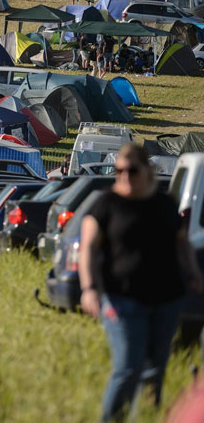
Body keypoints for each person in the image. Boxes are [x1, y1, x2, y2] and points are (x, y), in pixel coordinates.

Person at [79, 143, 203, 422]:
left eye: (131, 171)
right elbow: (87, 248)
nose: (124, 177)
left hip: (167, 298)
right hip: (121, 299)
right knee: (128, 367)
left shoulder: (165, 203)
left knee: (155, 368)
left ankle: (147, 415)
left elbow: (181, 244)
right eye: (118, 171)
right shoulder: (106, 204)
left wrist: (194, 273)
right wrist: (88, 289)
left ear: (148, 170)